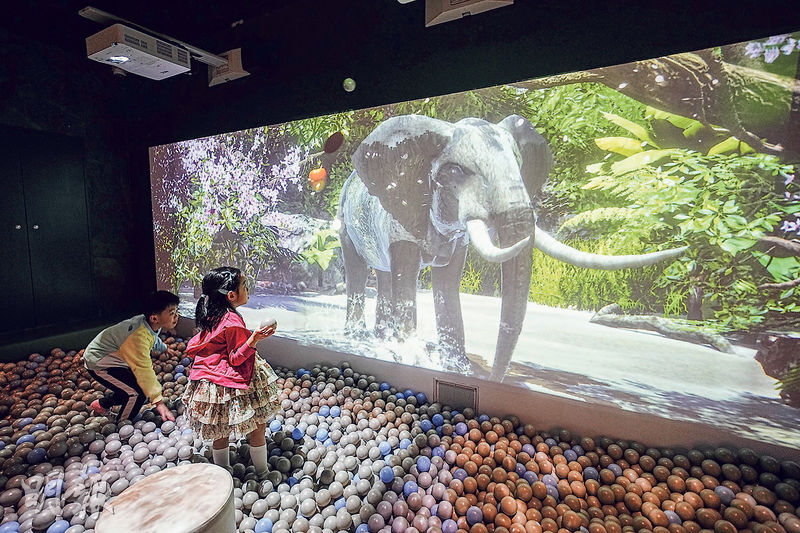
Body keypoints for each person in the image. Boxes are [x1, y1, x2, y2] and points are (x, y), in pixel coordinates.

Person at [182, 266, 280, 475]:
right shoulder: (232, 321)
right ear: (231, 295)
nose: (248, 289)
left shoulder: (213, 313)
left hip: (210, 381)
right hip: (229, 381)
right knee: (258, 426)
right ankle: (262, 472)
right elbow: (236, 359)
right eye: (245, 285)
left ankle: (222, 474)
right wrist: (254, 339)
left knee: (220, 430)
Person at [83, 290, 179, 422]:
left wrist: (164, 348)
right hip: (98, 361)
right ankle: (122, 424)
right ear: (155, 318)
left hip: (116, 359)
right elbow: (144, 370)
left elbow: (153, 338)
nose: (176, 316)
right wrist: (158, 402)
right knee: (136, 394)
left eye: (176, 311)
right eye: (172, 313)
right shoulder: (137, 338)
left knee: (135, 388)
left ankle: (102, 404)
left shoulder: (150, 325)